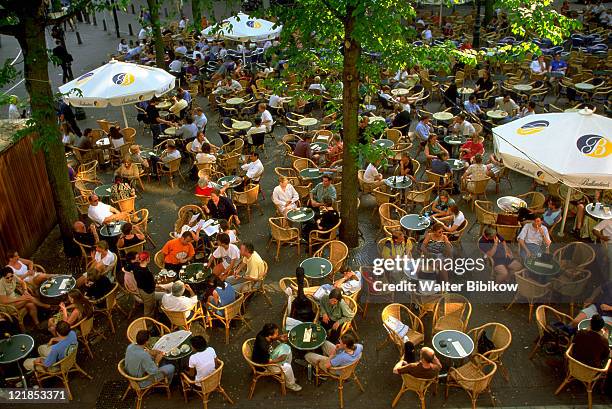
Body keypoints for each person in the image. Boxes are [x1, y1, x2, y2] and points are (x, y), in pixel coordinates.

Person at [251, 323, 302, 391]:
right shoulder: (263, 347)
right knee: (287, 367)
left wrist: (279, 337)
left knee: (287, 347)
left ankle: (286, 373)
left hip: (269, 355)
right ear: (270, 335)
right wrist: (280, 359)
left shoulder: (263, 333)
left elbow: (272, 339)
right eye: (276, 333)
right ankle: (290, 384)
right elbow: (267, 361)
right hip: (264, 365)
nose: (278, 334)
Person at [131, 252, 157, 317]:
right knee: (149, 308)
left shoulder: (136, 267)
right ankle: (148, 324)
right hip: (148, 292)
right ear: (147, 259)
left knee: (148, 306)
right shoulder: (147, 272)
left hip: (141, 289)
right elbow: (152, 285)